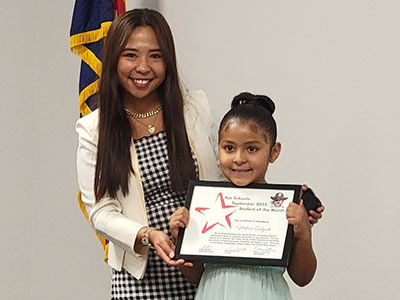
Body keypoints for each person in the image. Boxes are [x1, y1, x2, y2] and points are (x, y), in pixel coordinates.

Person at [75, 8, 221, 299]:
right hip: (140, 279)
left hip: (204, 272)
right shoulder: (93, 129)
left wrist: (277, 201)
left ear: (168, 61)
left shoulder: (196, 108)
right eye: (131, 55)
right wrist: (148, 235)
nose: (143, 67)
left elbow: (228, 176)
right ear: (114, 59)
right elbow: (101, 213)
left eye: (155, 56)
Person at [170, 92, 323, 299]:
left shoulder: (288, 208)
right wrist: (181, 240)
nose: (239, 158)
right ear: (218, 148)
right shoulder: (205, 204)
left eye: (252, 148)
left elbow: (303, 278)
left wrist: (304, 233)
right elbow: (197, 276)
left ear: (273, 152)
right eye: (229, 148)